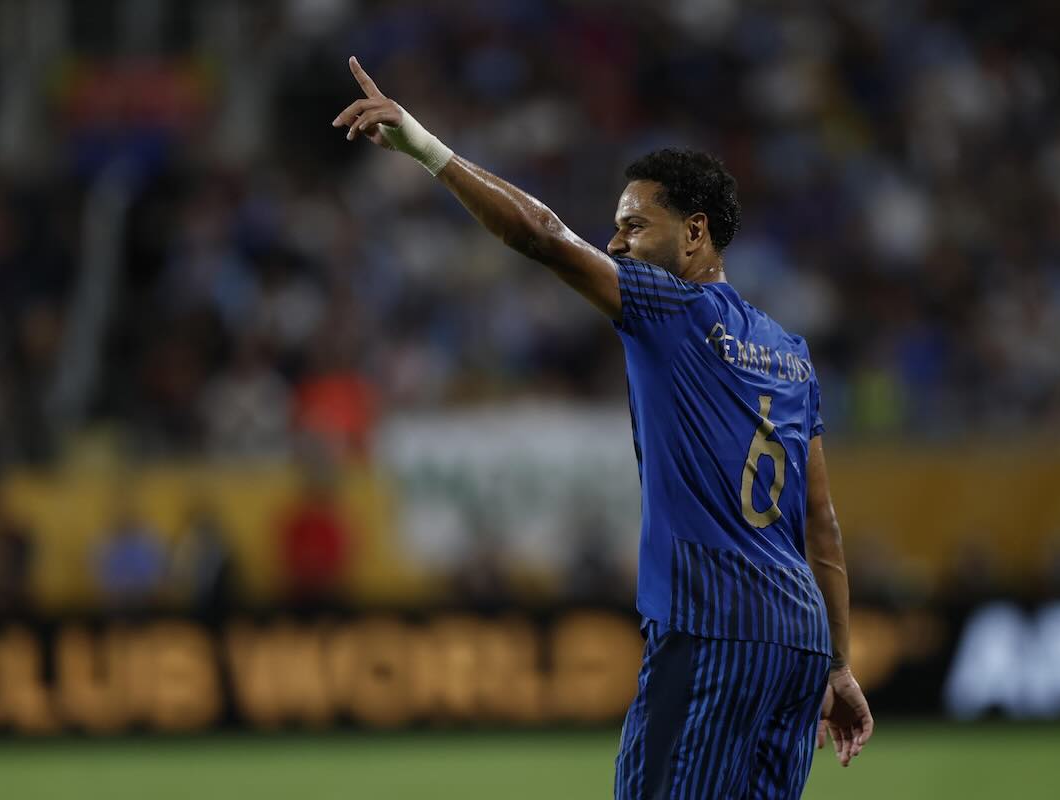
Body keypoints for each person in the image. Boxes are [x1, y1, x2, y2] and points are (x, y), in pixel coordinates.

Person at [333, 57, 872, 798]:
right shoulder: (791, 355)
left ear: (695, 233)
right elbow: (822, 525)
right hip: (800, 643)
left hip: (712, 627)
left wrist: (424, 147)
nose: (616, 244)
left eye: (633, 226)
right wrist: (838, 664)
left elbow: (542, 235)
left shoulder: (673, 308)